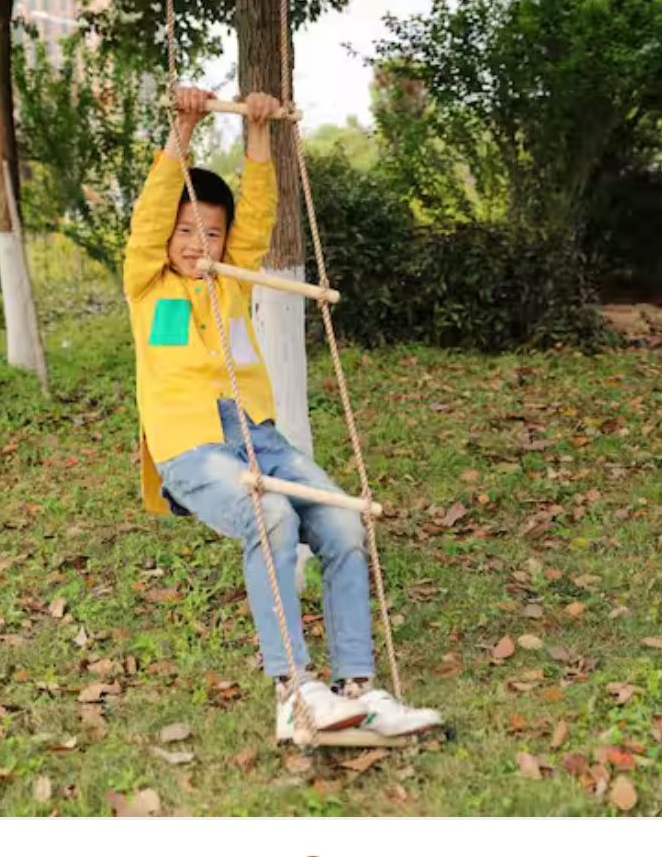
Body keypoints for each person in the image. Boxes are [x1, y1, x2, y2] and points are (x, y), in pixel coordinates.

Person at [123, 85, 443, 740]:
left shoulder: (233, 280)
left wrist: (260, 133)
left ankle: (357, 689)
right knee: (268, 515)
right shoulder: (149, 285)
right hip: (190, 448)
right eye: (186, 231)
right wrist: (183, 131)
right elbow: (152, 213)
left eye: (210, 231)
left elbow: (260, 212)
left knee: (343, 522)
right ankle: (294, 691)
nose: (197, 242)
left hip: (258, 439)